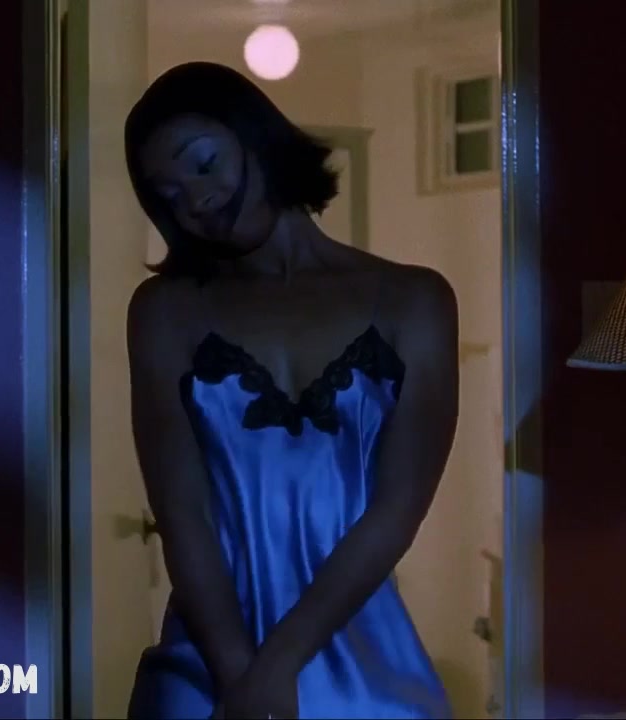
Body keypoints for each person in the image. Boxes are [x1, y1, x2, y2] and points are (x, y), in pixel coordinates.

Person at [122, 62, 458, 720]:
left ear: (257, 136)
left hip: (365, 668)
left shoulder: (414, 300)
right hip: (207, 667)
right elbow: (182, 514)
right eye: (170, 194)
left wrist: (277, 669)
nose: (196, 200)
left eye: (204, 164)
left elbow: (397, 510)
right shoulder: (163, 311)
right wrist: (240, 681)